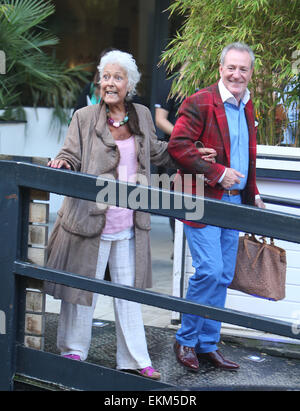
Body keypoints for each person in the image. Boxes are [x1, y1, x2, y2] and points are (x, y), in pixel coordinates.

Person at [44, 50, 177, 380]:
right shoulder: (85, 117)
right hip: (90, 219)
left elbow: (158, 152)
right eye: (105, 77)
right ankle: (73, 351)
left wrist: (188, 153)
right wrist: (62, 162)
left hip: (129, 222)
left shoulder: (143, 115)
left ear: (129, 84)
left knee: (128, 293)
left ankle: (134, 358)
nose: (109, 83)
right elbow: (70, 153)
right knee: (80, 290)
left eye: (117, 77)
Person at [168, 42, 265, 372]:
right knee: (209, 270)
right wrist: (218, 172)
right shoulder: (201, 100)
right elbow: (178, 146)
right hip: (202, 200)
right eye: (231, 68)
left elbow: (246, 156)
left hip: (235, 202)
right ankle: (186, 339)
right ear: (220, 69)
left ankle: (208, 344)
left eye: (244, 69)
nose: (237, 74)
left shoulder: (247, 104)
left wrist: (252, 193)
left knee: (222, 275)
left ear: (251, 73)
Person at [155, 70, 217, 245]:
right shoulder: (172, 83)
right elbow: (160, 120)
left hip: (204, 154)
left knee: (198, 202)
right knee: (176, 201)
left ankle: (191, 246)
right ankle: (177, 245)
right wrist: (185, 138)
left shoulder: (211, 86)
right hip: (176, 153)